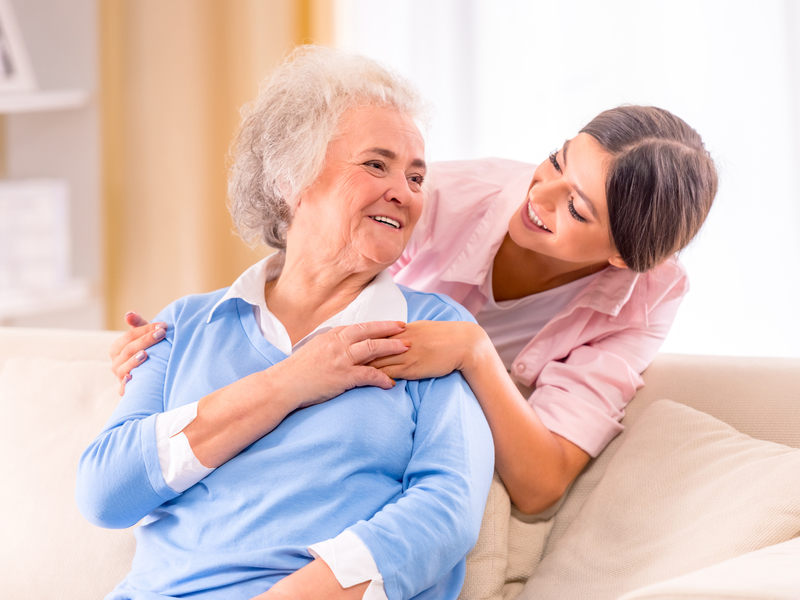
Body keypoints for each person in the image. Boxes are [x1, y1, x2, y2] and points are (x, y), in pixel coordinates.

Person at [111, 79, 718, 517]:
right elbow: (313, 279)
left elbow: (541, 484)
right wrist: (177, 347)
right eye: (557, 161)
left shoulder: (649, 292)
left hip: (419, 443)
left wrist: (474, 352)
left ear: (621, 256)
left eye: (577, 207)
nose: (542, 195)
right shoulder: (434, 196)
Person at [77, 46, 494, 600]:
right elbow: (106, 494)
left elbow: (446, 512)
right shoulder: (188, 325)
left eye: (416, 177)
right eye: (377, 164)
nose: (405, 192)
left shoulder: (432, 331)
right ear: (290, 177)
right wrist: (291, 381)